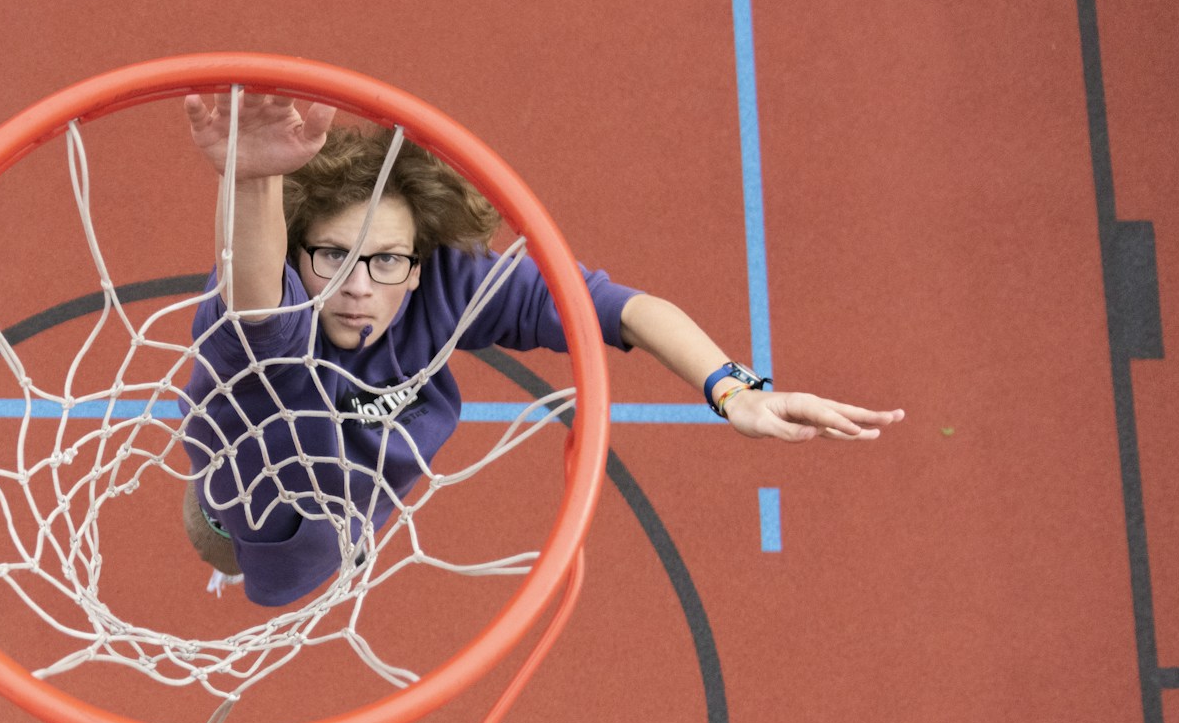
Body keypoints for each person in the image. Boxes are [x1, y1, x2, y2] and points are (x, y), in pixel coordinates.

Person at [178, 93, 903, 607]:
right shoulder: (276, 301)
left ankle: (290, 534)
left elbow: (620, 308)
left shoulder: (451, 284)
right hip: (257, 465)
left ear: (420, 263)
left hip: (359, 487)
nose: (359, 287)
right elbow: (255, 309)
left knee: (309, 538)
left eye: (387, 260)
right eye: (334, 255)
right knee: (225, 533)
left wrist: (735, 390)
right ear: (298, 248)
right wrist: (252, 181)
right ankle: (225, 533)